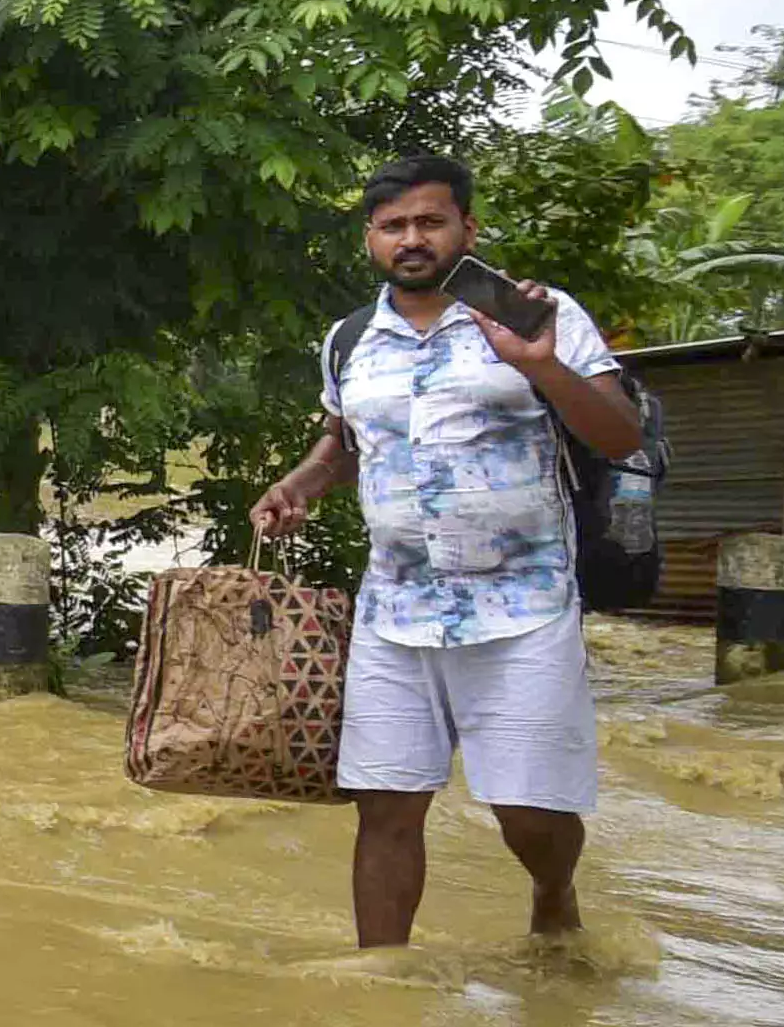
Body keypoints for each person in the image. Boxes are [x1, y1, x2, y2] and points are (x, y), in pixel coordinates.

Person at [252, 152, 645, 948]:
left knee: (529, 812)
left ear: (468, 226)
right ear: (370, 238)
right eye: (393, 226)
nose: (412, 239)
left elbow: (618, 432)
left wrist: (539, 366)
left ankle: (552, 894)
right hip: (394, 611)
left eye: (430, 221)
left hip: (524, 608)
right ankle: (382, 982)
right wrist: (298, 484)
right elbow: (343, 441)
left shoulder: (542, 317)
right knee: (386, 807)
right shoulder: (350, 339)